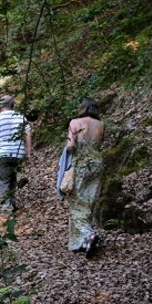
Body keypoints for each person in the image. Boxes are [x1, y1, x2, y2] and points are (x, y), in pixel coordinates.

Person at [65, 98, 105, 256]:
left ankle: (89, 235)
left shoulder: (75, 122)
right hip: (97, 165)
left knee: (76, 202)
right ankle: (81, 243)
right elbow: (100, 143)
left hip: (81, 164)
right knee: (88, 202)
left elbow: (70, 146)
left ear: (82, 108)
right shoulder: (101, 125)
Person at [0, 95, 31, 211]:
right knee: (12, 177)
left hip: (3, 153)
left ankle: (6, 207)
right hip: (17, 153)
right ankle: (12, 202)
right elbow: (28, 134)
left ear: (1, 105)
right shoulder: (21, 117)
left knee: (3, 179)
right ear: (12, 104)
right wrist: (28, 152)